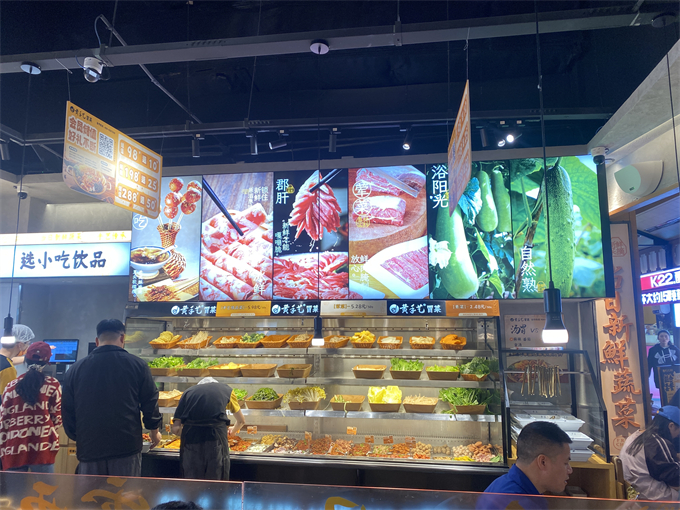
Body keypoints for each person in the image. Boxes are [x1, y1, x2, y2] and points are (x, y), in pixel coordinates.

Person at [62, 319, 162, 477]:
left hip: (90, 447)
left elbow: (67, 409)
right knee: (125, 492)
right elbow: (150, 401)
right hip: (126, 446)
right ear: (122, 338)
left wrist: (79, 436)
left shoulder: (75, 369)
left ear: (97, 341)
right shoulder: (137, 365)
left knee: (91, 492)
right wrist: (154, 430)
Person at [478, 422, 573, 509]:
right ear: (543, 462)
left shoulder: (503, 484)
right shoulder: (517, 503)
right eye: (565, 463)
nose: (570, 470)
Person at [0, 342, 61, 472]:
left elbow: (4, 421)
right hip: (42, 448)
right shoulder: (53, 385)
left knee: (15, 486)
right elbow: (57, 419)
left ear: (26, 360)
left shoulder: (10, 387)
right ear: (47, 362)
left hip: (14, 448)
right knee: (44, 486)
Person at [171, 377, 246, 480]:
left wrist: (189, 432)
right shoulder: (226, 390)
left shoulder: (187, 393)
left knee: (191, 482)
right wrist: (232, 431)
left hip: (191, 442)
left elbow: (175, 429)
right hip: (216, 439)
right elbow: (241, 421)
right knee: (216, 480)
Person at [619, 405, 680, 501]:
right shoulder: (658, 443)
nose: (678, 435)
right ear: (671, 426)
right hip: (653, 496)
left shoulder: (637, 436)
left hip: (635, 490)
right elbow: (675, 480)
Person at [0, 324, 34, 395]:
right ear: (20, 345)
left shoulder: (4, 362)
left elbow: (10, 361)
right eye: (28, 343)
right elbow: (7, 396)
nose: (28, 347)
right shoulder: (8, 368)